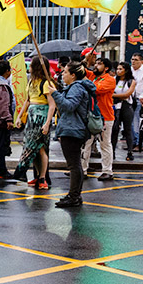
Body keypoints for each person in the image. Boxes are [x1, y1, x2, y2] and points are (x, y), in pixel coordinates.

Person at [50, 61, 95, 208]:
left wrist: (55, 94)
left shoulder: (76, 88)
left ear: (73, 75)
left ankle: (74, 196)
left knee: (74, 165)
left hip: (73, 130)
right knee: (75, 165)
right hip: (72, 129)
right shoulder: (75, 87)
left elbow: (69, 106)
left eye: (65, 72)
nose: (62, 74)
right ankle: (74, 195)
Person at [13, 57, 56, 190]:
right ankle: (38, 176)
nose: (28, 67)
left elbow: (52, 104)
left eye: (31, 65)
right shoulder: (31, 81)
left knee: (41, 148)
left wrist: (47, 123)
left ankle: (43, 178)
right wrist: (19, 117)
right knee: (33, 149)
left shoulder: (46, 83)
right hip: (31, 117)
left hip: (41, 117)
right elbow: (27, 100)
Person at [83, 57, 116, 180]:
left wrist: (85, 81)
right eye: (95, 63)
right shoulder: (93, 76)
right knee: (86, 143)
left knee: (105, 144)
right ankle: (82, 169)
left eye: (99, 64)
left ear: (106, 68)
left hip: (105, 117)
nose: (96, 66)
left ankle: (107, 171)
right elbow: (81, 70)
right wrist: (84, 61)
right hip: (91, 115)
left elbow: (95, 89)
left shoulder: (110, 80)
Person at [111, 61, 137, 162]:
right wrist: (118, 97)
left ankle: (130, 152)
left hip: (127, 106)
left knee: (128, 129)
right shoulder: (114, 80)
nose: (118, 71)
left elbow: (127, 94)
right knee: (114, 129)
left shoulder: (131, 81)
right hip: (116, 107)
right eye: (117, 69)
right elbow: (110, 92)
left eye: (121, 69)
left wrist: (115, 96)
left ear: (126, 70)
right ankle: (112, 152)